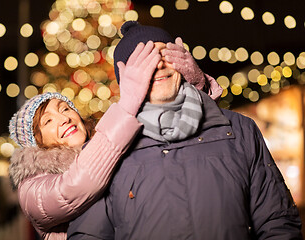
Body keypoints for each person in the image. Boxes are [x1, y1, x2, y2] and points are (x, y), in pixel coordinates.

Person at [67, 21, 303, 240]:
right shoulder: (104, 152)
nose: (158, 64)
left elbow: (278, 222)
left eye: (164, 54)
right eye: (144, 60)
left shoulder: (239, 130)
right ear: (126, 78)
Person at [8, 39, 219, 239]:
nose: (64, 118)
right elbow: (75, 187)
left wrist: (197, 88)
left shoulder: (112, 144)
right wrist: (127, 105)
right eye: (48, 121)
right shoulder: (31, 188)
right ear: (36, 141)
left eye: (65, 108)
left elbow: (174, 132)